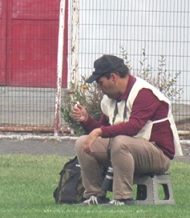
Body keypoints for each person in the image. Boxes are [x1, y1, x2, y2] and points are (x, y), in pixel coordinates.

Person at [71, 54, 181, 206]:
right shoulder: (110, 98)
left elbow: (133, 127)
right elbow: (102, 130)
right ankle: (94, 196)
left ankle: (122, 198)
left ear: (113, 77)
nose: (100, 88)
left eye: (100, 83)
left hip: (158, 154)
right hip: (126, 150)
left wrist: (99, 132)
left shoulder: (144, 93)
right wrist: (86, 120)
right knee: (82, 142)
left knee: (121, 142)